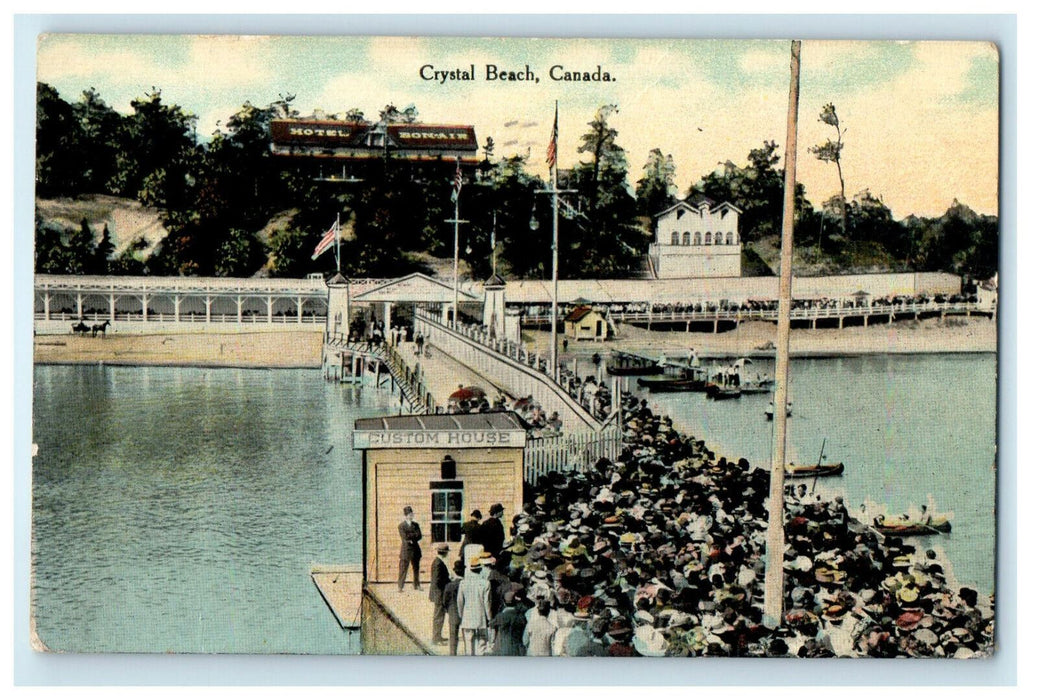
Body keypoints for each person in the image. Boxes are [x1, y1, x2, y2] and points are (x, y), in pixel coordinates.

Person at [457, 558, 492, 655]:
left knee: (468, 643)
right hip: (481, 617)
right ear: (480, 569)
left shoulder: (463, 583)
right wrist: (489, 617)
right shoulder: (485, 583)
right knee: (482, 642)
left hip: (467, 616)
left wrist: (461, 615)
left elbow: (460, 602)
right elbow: (487, 603)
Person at [489, 590, 527, 656]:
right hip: (518, 649)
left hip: (503, 648)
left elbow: (491, 624)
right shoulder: (521, 616)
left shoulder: (500, 616)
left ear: (504, 603)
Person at [429, 543, 452, 644]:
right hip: (439, 593)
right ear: (445, 553)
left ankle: (438, 636)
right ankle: (436, 638)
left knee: (439, 615)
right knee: (439, 616)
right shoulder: (438, 563)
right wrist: (448, 581)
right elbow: (438, 581)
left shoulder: (438, 561)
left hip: (438, 593)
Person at [397, 506, 422, 592]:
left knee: (416, 569)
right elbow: (404, 537)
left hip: (415, 550)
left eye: (412, 514)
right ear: (406, 515)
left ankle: (416, 585)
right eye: (409, 514)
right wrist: (412, 536)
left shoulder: (416, 525)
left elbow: (419, 536)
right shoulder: (401, 526)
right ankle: (400, 586)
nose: (411, 516)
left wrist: (411, 538)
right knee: (403, 569)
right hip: (406, 550)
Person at [443, 560, 465, 655]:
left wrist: (448, 610)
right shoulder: (466, 584)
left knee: (453, 635)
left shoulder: (449, 585)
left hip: (453, 612)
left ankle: (453, 654)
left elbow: (445, 601)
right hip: (465, 612)